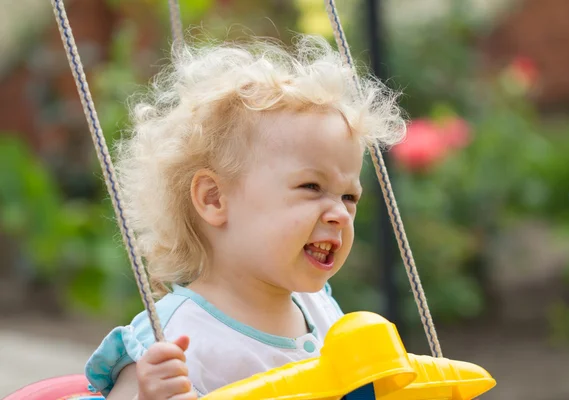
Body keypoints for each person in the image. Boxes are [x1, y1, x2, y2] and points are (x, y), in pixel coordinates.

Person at [84, 34, 404, 400]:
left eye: (349, 196)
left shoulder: (323, 312)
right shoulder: (174, 340)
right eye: (312, 187)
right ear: (214, 198)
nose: (339, 214)